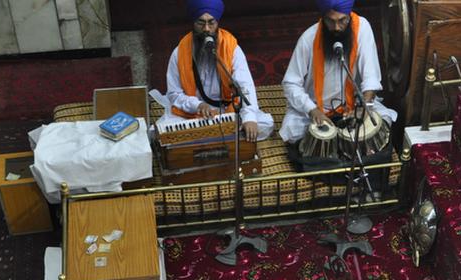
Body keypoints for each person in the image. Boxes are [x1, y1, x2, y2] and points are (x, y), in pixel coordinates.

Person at [279, 0, 397, 166]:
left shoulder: (362, 28)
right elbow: (290, 83)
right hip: (317, 109)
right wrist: (312, 110)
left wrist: (363, 107)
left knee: (383, 119)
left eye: (342, 20)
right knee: (292, 131)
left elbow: (371, 77)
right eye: (330, 21)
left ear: (349, 15)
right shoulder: (308, 39)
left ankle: (332, 157)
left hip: (353, 106)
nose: (336, 27)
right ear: (323, 17)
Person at [158, 0, 274, 141]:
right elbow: (174, 94)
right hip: (194, 112)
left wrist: (249, 118)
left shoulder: (231, 49)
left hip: (228, 110)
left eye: (211, 23)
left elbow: (245, 85)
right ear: (193, 23)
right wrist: (198, 105)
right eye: (201, 23)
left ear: (217, 23)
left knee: (263, 124)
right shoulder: (179, 52)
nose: (206, 28)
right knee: (162, 132)